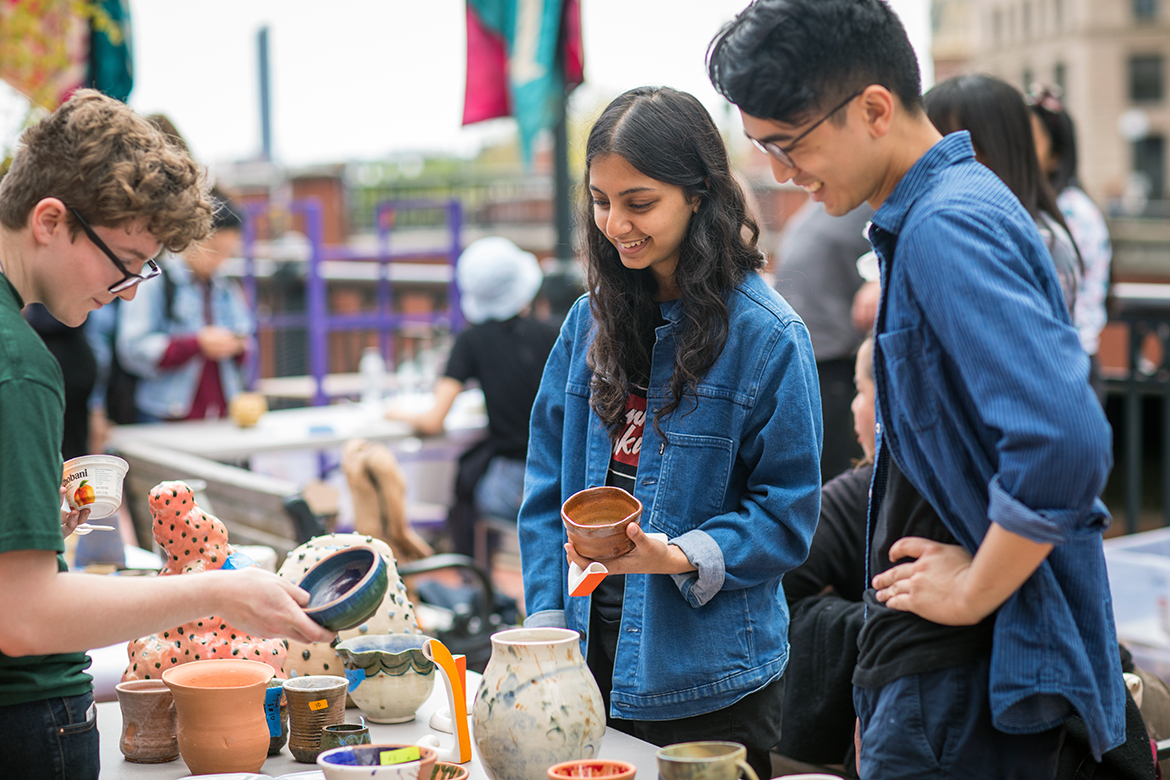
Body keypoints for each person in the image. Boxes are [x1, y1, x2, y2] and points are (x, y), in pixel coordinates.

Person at [708, 1, 1125, 777]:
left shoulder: (947, 225)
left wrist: (973, 587)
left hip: (967, 684)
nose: (781, 172)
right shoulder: (945, 212)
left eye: (787, 143)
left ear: (873, 108)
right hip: (962, 677)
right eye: (763, 148)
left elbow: (1065, 441)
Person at [0, 89, 333, 780]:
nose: (127, 290)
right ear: (50, 219)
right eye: (124, 261)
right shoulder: (19, 365)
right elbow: (24, 617)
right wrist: (216, 590)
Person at [518, 85, 822, 780]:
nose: (615, 223)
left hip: (710, 683)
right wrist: (544, 614)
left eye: (639, 202)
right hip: (584, 661)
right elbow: (544, 489)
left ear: (698, 195)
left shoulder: (768, 337)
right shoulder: (585, 324)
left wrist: (680, 554)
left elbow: (788, 513)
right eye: (600, 200)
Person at [387, 236, 559, 556]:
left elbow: (432, 420)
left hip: (510, 485)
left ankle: (478, 585)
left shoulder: (471, 341)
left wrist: (393, 413)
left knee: (467, 493)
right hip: (560, 479)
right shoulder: (555, 333)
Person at [923, 74, 1082, 315]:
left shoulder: (1042, 245)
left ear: (994, 149)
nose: (931, 158)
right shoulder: (948, 229)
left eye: (947, 142)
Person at [116, 192, 253, 421]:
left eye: (229, 252)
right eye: (215, 250)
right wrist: (196, 344)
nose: (221, 260)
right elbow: (132, 348)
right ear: (192, 237)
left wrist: (236, 345)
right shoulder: (155, 282)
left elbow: (247, 341)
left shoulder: (226, 288)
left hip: (221, 414)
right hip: (165, 415)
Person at [774, 200, 873, 482]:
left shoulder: (879, 197)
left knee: (830, 470)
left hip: (835, 361)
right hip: (797, 357)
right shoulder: (823, 200)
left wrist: (880, 275)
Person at [1029, 85, 1114, 400]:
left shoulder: (1072, 213)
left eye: (1029, 139)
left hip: (1068, 368)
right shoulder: (1057, 207)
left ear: (1056, 156)